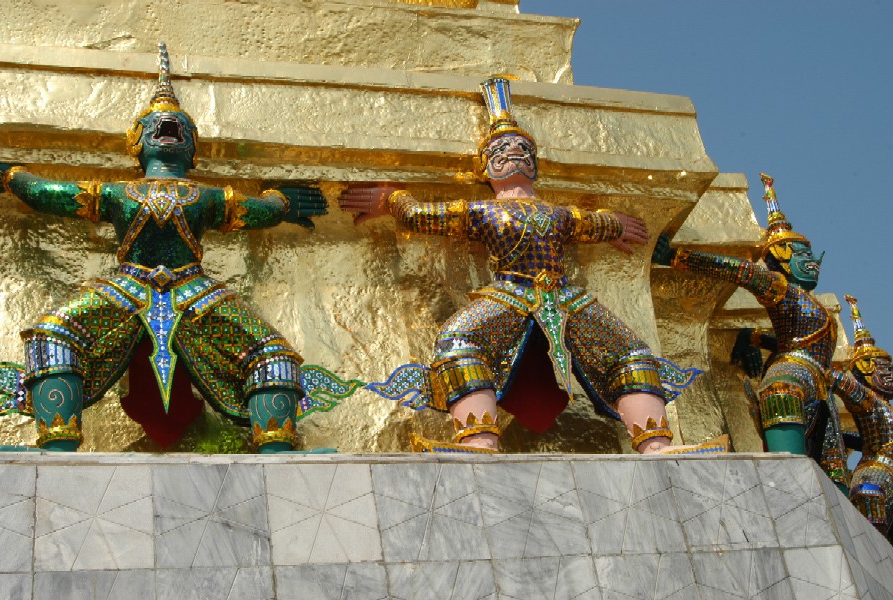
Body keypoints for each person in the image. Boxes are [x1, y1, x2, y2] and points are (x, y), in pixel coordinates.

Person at [341, 76, 720, 454]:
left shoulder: (559, 214)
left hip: (566, 295)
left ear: (535, 163)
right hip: (510, 293)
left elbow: (588, 223)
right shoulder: (483, 212)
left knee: (630, 351)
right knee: (458, 341)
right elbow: (421, 217)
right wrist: (394, 200)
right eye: (501, 150)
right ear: (485, 167)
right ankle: (479, 439)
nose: (513, 152)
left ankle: (655, 443)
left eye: (522, 148)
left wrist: (616, 225)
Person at [0, 44, 327, 453]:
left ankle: (277, 449)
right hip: (127, 287)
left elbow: (254, 213)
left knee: (272, 353)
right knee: (53, 336)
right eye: (155, 124)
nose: (166, 126)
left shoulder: (207, 196)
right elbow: (52, 194)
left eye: (178, 125)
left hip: (193, 289)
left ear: (192, 146)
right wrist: (13, 177)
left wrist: (282, 203)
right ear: (137, 142)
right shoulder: (117, 193)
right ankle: (55, 443)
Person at [653, 175, 838, 464]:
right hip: (793, 372)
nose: (812, 259)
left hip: (820, 383)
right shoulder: (781, 288)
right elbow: (741, 271)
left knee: (832, 461)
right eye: (802, 253)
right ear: (782, 258)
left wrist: (754, 340)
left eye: (811, 252)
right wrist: (678, 257)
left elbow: (797, 336)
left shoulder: (813, 305)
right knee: (782, 395)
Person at [830, 296, 893, 532]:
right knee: (869, 492)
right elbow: (839, 382)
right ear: (865, 372)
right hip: (876, 471)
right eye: (884, 369)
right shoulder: (869, 401)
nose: (890, 374)